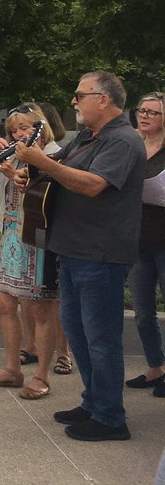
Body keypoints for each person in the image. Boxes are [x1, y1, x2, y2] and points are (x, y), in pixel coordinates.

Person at [14, 70, 145, 441]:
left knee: (101, 338)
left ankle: (110, 418)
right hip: (72, 249)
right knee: (77, 331)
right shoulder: (88, 137)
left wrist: (42, 164)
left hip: (100, 253)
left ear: (103, 100)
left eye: (80, 95)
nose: (74, 101)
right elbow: (60, 172)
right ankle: (93, 403)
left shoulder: (122, 140)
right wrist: (32, 176)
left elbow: (92, 185)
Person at [0, 105, 61, 399]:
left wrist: (13, 174)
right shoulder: (13, 152)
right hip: (12, 234)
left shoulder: (54, 152)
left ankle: (41, 376)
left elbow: (47, 196)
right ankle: (12, 369)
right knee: (3, 302)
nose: (19, 134)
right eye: (13, 130)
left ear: (41, 125)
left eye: (24, 127)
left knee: (40, 307)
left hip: (39, 236)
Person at [127, 92, 165, 397]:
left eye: (153, 112)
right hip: (138, 240)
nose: (146, 116)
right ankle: (156, 366)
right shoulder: (133, 145)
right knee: (142, 311)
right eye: (142, 110)